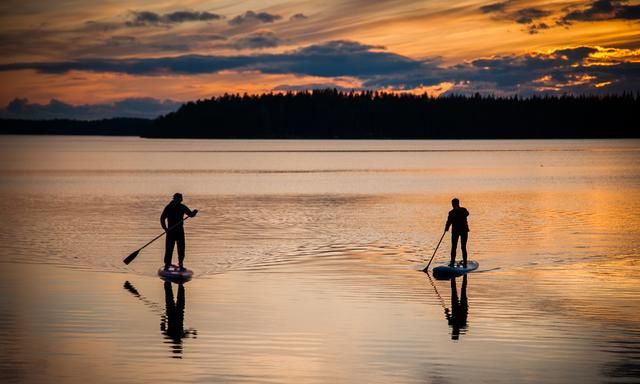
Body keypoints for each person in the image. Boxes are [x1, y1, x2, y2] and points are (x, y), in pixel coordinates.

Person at [161, 193, 198, 271]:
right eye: (178, 199)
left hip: (180, 231)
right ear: (174, 199)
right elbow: (162, 218)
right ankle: (167, 264)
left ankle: (180, 264)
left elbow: (190, 214)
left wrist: (193, 213)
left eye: (180, 199)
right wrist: (165, 229)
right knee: (169, 249)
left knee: (181, 249)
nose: (179, 200)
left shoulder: (182, 207)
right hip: (170, 232)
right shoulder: (168, 207)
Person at [445, 198, 469, 267]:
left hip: (464, 231)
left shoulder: (463, 210)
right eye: (452, 204)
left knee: (463, 247)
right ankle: (452, 262)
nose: (453, 205)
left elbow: (467, 214)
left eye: (454, 204)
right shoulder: (451, 212)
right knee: (453, 247)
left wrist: (458, 210)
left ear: (458, 204)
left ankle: (465, 263)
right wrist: (446, 228)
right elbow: (449, 221)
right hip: (455, 232)